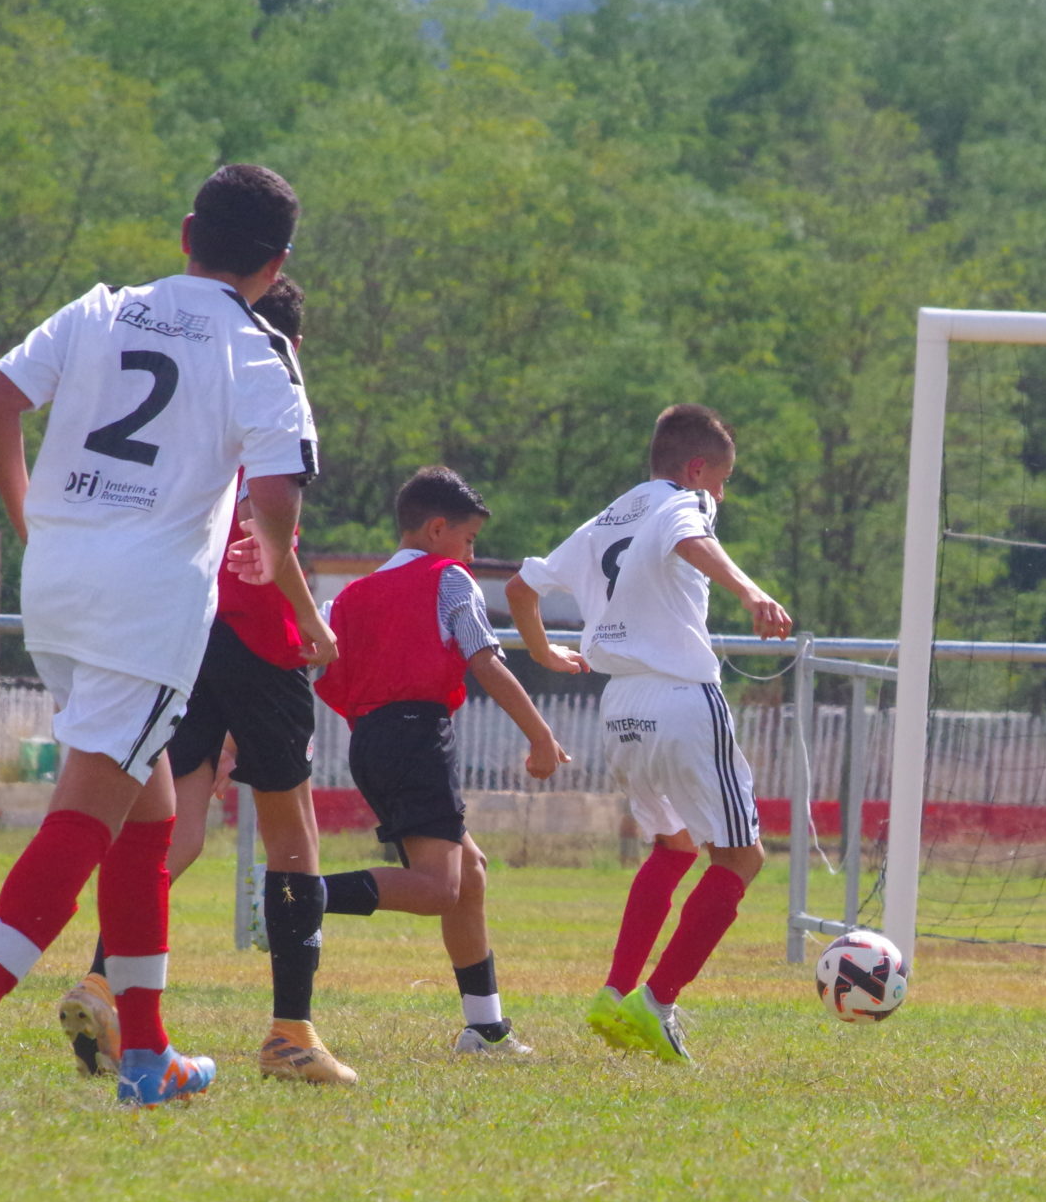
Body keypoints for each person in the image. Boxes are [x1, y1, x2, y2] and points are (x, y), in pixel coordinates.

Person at [0, 164, 331, 1110]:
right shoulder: (261, 348)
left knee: (147, 823)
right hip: (147, 606)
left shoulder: (100, 308)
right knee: (88, 815)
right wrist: (288, 581)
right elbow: (275, 495)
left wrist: (34, 522)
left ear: (186, 233)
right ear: (275, 266)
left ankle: (148, 1055)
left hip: (58, 585)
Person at [55, 274, 356, 1088]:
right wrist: (313, 621)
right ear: (291, 341)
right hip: (256, 632)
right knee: (294, 836)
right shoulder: (269, 383)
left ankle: (100, 984)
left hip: (186, 626)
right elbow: (267, 531)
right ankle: (291, 1033)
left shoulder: (194, 381)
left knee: (174, 829)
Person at [505, 404, 792, 1064]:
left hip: (621, 705)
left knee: (674, 847)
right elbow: (691, 536)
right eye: (721, 481)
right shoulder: (683, 503)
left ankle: (615, 993)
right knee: (741, 859)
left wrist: (544, 653)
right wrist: (750, 592)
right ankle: (656, 1002)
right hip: (681, 696)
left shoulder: (609, 516)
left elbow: (521, 588)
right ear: (696, 470)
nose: (720, 496)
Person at [316, 467, 570, 1053]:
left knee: (470, 875)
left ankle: (485, 1029)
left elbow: (323, 671)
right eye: (469, 539)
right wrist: (539, 736)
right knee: (437, 889)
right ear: (436, 530)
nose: (471, 555)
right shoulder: (449, 579)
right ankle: (297, 894)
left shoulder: (349, 597)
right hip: (417, 736)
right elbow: (485, 661)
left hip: (370, 741)